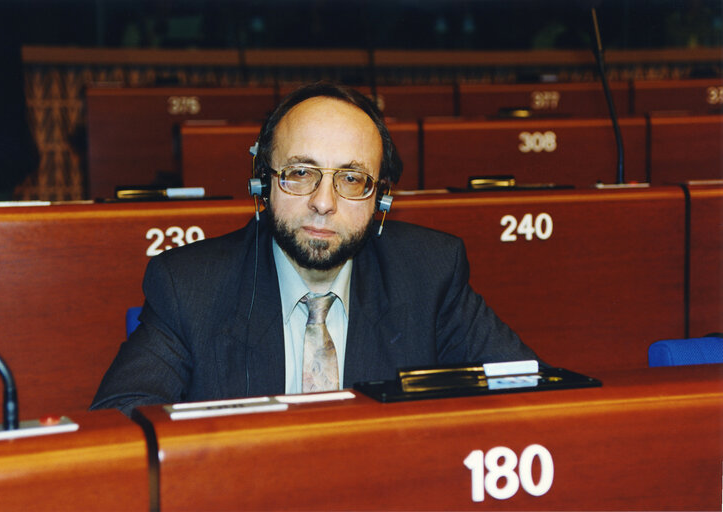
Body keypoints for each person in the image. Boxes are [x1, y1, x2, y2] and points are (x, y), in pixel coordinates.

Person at [91, 82, 540, 415]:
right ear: (262, 185)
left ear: (381, 199)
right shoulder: (188, 286)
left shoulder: (430, 274)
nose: (323, 203)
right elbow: (123, 423)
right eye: (300, 173)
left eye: (350, 179)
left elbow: (530, 393)